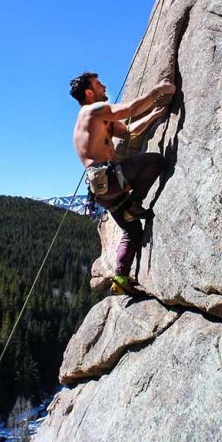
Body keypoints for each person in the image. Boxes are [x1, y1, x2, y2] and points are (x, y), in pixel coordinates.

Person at [70, 71, 175, 295]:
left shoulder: (98, 119)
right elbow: (128, 111)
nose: (104, 86)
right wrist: (157, 91)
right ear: (89, 92)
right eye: (98, 85)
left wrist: (153, 116)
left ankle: (120, 279)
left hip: (103, 190)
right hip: (108, 178)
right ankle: (134, 203)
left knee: (133, 231)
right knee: (155, 161)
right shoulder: (92, 111)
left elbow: (128, 130)